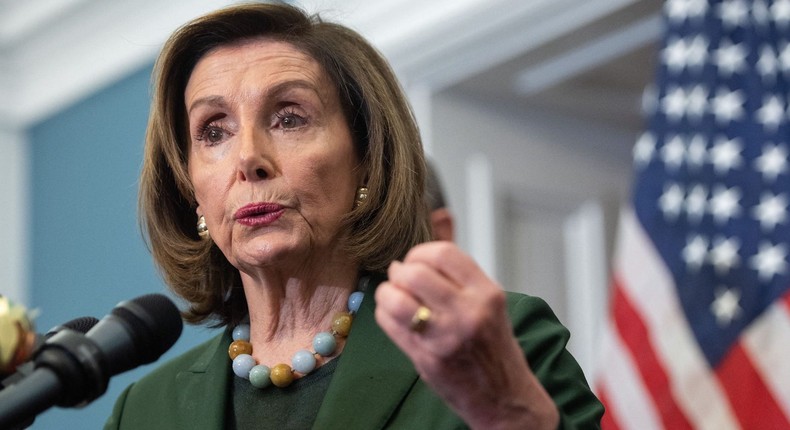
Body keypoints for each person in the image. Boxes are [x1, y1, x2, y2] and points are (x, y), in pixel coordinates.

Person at [104, 3, 603, 429]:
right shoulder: (144, 411)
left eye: (289, 117)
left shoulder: (502, 343)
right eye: (213, 131)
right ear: (190, 188)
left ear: (365, 158)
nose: (247, 157)